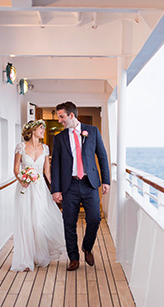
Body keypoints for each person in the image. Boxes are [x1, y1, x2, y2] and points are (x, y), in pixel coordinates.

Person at [51, 101, 110, 271]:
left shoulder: (92, 131)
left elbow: (102, 156)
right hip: (69, 185)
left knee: (95, 218)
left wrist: (105, 180)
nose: (60, 120)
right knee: (69, 222)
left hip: (89, 184)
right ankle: (73, 258)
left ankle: (87, 247)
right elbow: (55, 165)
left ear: (71, 115)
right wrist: (56, 190)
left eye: (62, 117)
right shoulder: (59, 138)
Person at [11, 119, 66, 272]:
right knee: (26, 222)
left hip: (40, 188)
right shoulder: (20, 147)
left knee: (39, 222)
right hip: (25, 188)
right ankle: (25, 260)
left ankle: (40, 256)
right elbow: (16, 169)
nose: (43, 130)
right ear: (32, 130)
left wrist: (56, 188)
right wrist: (22, 179)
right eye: (41, 128)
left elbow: (47, 172)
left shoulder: (45, 148)